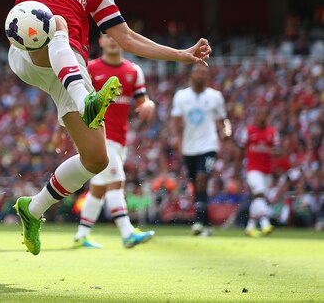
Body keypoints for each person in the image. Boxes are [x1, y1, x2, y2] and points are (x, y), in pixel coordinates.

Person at [0, 0, 212, 255]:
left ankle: (33, 208)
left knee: (96, 159)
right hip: (29, 48)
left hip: (70, 65)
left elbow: (127, 37)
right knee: (54, 23)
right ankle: (85, 97)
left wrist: (181, 54)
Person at [66, 33, 156, 249]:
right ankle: (127, 233)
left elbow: (142, 101)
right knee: (116, 183)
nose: (113, 39)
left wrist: (148, 105)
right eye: (108, 35)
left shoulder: (134, 71)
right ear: (101, 42)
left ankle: (81, 235)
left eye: (117, 35)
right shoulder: (91, 68)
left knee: (99, 187)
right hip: (99, 136)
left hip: (120, 139)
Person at [170, 65, 231, 236]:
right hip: (189, 148)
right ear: (191, 75)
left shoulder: (215, 96)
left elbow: (223, 119)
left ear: (207, 76)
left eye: (204, 73)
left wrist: (227, 131)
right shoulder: (181, 96)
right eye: (197, 72)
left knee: (202, 179)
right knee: (196, 185)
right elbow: (175, 120)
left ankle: (197, 221)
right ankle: (207, 223)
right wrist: (175, 137)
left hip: (209, 146)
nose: (200, 76)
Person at [235, 107, 280, 237]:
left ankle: (250, 227)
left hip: (267, 171)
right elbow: (240, 150)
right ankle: (265, 224)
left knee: (257, 198)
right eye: (259, 115)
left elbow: (277, 150)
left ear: (267, 117)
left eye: (264, 115)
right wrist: (237, 171)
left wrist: (274, 152)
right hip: (252, 170)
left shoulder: (272, 132)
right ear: (256, 117)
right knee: (259, 194)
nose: (261, 118)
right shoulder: (248, 131)